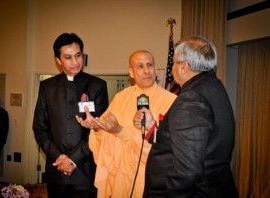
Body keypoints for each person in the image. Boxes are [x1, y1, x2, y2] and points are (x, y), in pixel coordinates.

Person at [140, 36, 239, 197]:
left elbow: (187, 172)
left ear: (183, 66)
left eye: (174, 63)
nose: (172, 69)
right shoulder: (214, 85)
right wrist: (153, 128)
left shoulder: (191, 98)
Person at [76, 50, 177, 198]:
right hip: (121, 176)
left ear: (155, 68)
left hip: (148, 176)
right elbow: (106, 137)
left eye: (150, 65)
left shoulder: (171, 100)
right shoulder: (121, 98)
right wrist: (97, 128)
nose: (146, 70)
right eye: (140, 66)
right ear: (131, 72)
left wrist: (120, 131)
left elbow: (168, 147)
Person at [32, 32, 109, 198]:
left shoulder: (97, 86)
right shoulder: (47, 87)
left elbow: (99, 130)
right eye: (68, 57)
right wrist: (60, 157)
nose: (75, 62)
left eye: (78, 55)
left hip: (85, 170)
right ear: (58, 60)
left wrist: (73, 160)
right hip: (56, 169)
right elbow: (39, 128)